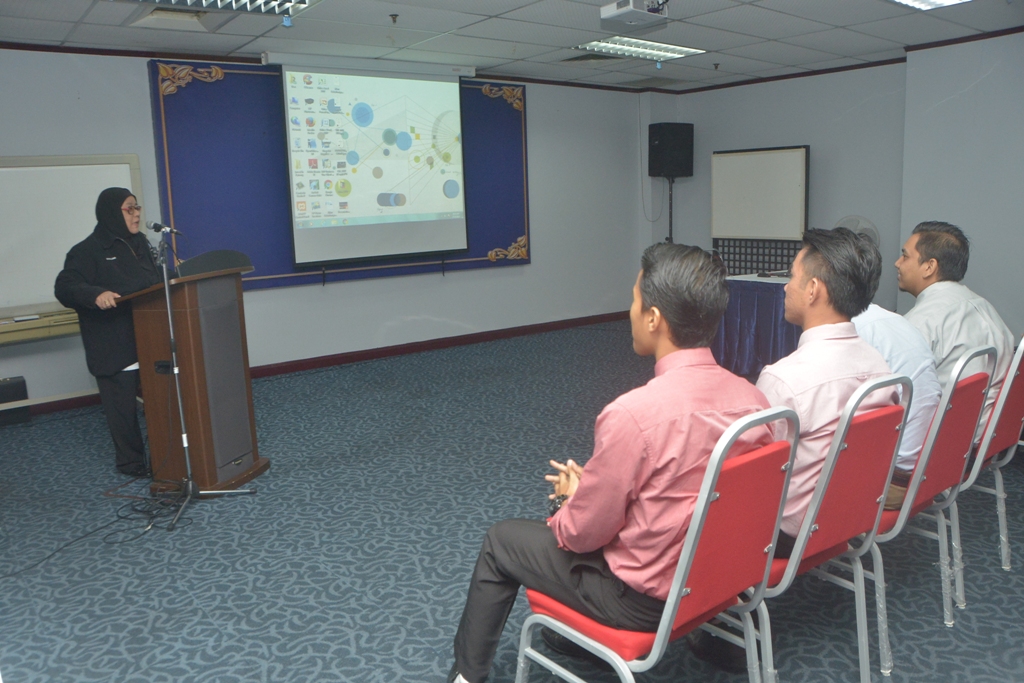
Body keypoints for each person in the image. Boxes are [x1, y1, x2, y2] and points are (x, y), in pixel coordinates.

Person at [446, 244, 775, 683]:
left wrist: (570, 502)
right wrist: (599, 487)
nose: (629, 311)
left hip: (642, 603)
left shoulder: (633, 415)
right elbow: (692, 493)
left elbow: (583, 536)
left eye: (635, 301)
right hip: (719, 581)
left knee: (501, 541)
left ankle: (465, 677)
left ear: (654, 318)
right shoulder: (755, 402)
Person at [756, 228, 895, 549]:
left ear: (813, 290)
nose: (786, 286)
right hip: (851, 517)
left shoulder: (785, 379)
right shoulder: (881, 368)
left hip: (789, 535)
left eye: (792, 276)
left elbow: (757, 476)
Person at [54, 187, 163, 477]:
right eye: (129, 208)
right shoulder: (86, 251)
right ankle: (132, 464)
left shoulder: (142, 244)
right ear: (112, 212)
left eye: (137, 207)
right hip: (114, 344)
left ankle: (167, 459)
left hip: (151, 338)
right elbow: (65, 287)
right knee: (123, 413)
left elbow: (153, 283)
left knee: (162, 402)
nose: (137, 213)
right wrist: (95, 294)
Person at [896, 221, 1014, 438]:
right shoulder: (986, 309)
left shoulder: (922, 321)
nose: (897, 263)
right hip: (988, 435)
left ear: (929, 267)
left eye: (905, 256)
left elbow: (896, 392)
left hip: (942, 441)